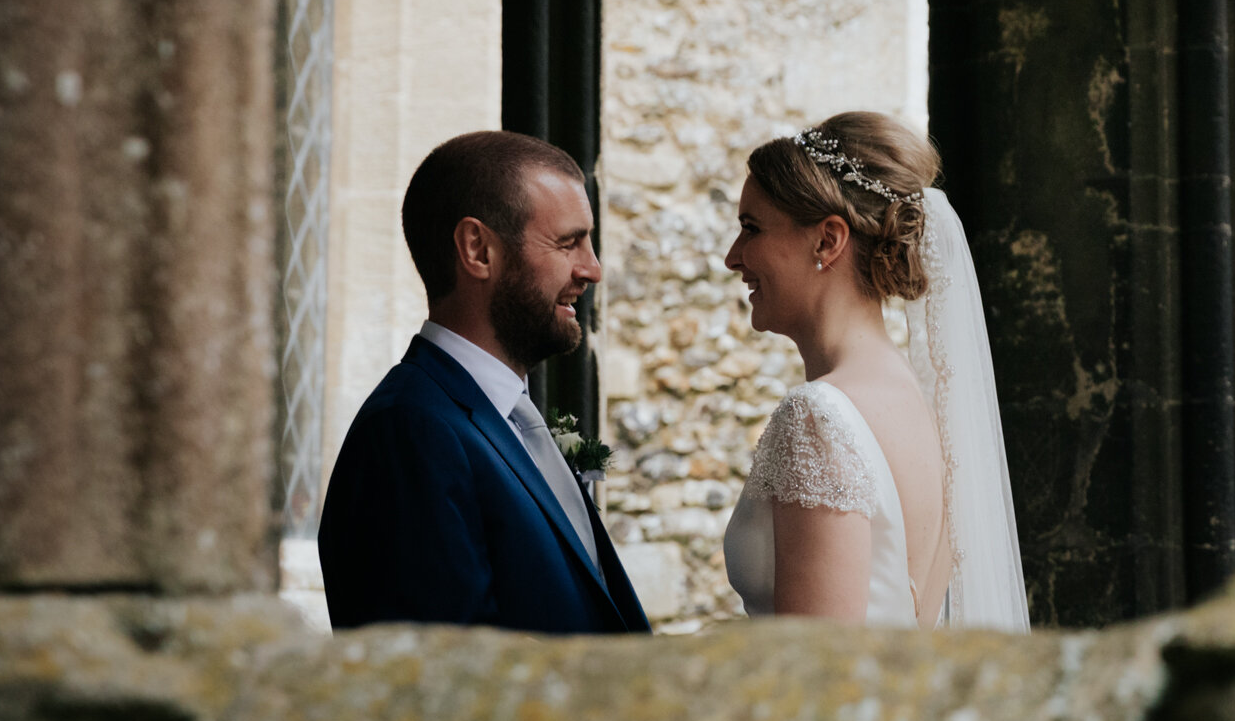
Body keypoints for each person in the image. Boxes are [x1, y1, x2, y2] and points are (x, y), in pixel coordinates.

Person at [319, 131, 649, 634]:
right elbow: (445, 680)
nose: (593, 269)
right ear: (478, 249)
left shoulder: (502, 418)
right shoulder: (410, 433)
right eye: (568, 242)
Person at [722, 111, 1028, 629]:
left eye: (751, 229)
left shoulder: (817, 418)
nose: (734, 257)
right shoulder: (920, 398)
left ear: (827, 240)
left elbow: (817, 673)